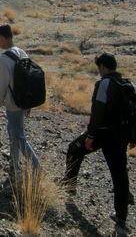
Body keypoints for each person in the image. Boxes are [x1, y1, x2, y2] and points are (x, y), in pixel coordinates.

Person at [61, 52, 134, 232]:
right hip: (122, 135)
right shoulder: (127, 84)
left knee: (74, 149)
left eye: (99, 68)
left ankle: (69, 188)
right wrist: (133, 137)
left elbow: (98, 112)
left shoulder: (105, 83)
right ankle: (121, 218)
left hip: (103, 134)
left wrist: (91, 136)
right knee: (119, 174)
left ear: (102, 67)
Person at [0, 24, 40, 181]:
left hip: (12, 103)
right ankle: (13, 165)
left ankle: (36, 165)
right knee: (14, 131)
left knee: (18, 135)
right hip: (23, 100)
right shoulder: (22, 53)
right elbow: (30, 79)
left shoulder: (4, 59)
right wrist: (29, 104)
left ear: (3, 38)